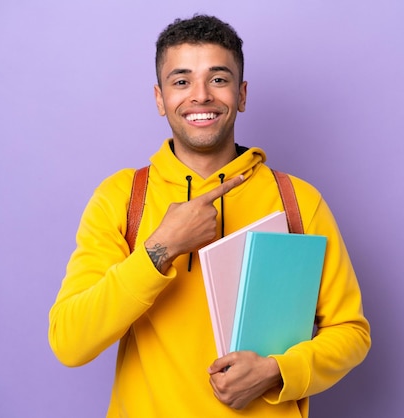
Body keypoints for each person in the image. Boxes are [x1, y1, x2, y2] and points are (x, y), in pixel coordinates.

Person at [48, 14, 371, 418]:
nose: (200, 95)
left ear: (242, 94)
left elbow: (350, 332)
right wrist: (159, 249)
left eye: (218, 79)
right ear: (159, 98)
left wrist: (276, 370)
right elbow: (69, 342)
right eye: (181, 81)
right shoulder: (121, 198)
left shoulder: (298, 201)